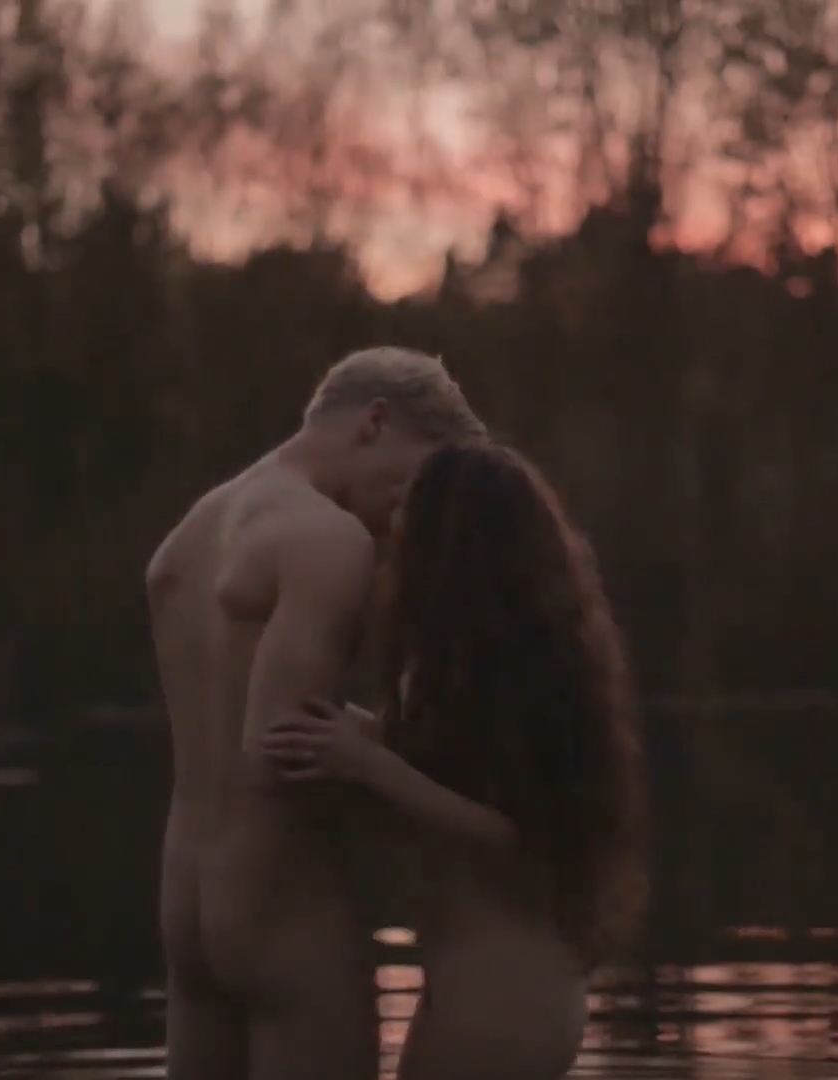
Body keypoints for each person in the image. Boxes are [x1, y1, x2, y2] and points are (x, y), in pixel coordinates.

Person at [144, 347, 486, 1080]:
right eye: (416, 478)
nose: (408, 511)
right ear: (375, 422)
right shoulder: (331, 540)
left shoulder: (189, 534)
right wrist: (416, 770)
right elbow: (279, 749)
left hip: (186, 900)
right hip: (282, 899)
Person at [262, 440, 650, 1080]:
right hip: (492, 987)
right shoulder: (476, 667)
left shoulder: (524, 676)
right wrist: (350, 735)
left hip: (505, 994)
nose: (393, 545)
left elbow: (523, 838)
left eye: (409, 528)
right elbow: (450, 779)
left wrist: (367, 763)